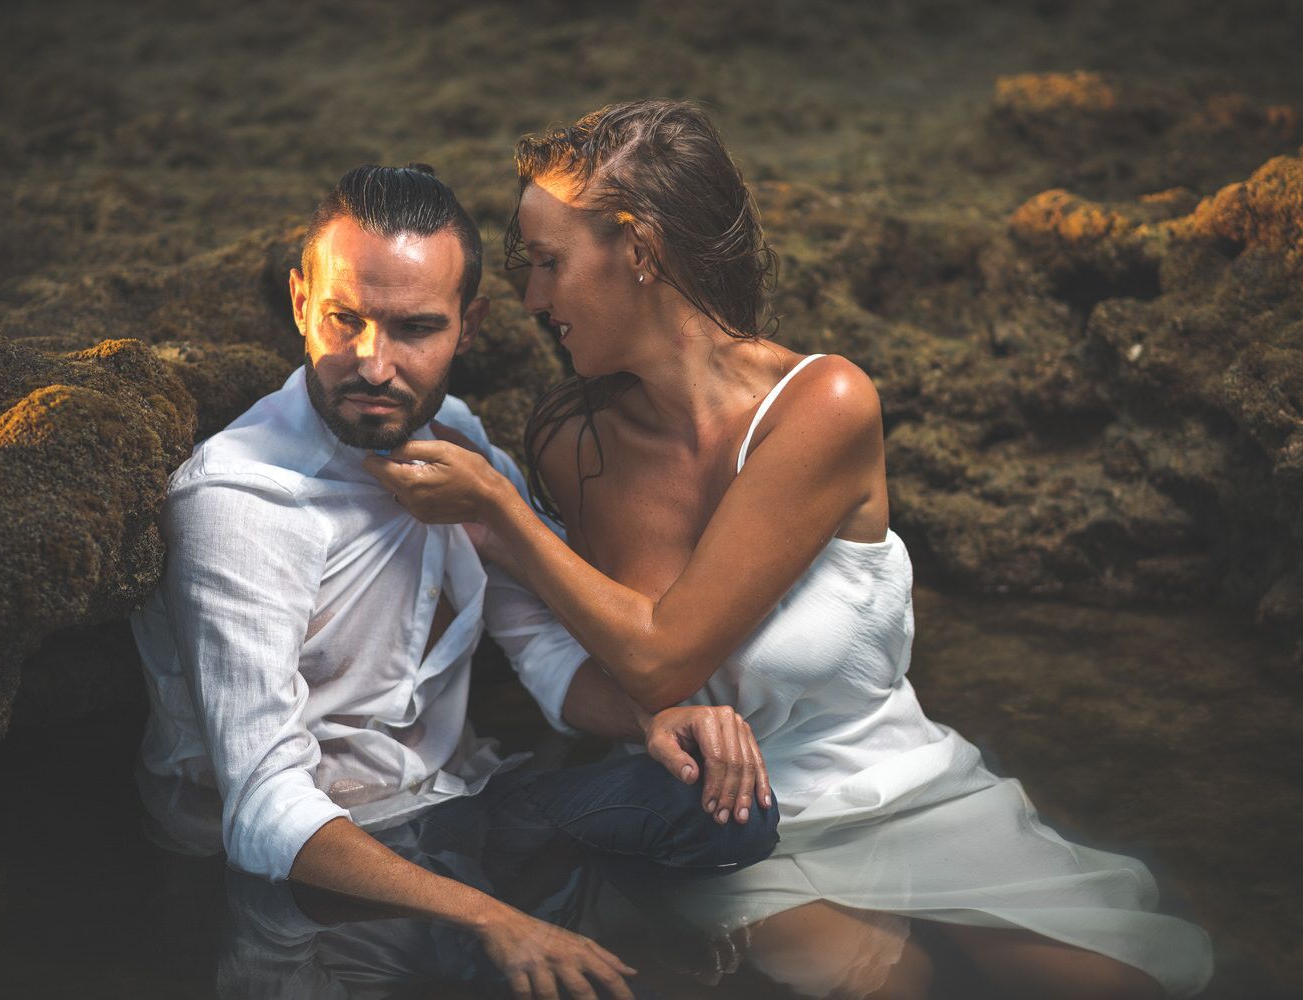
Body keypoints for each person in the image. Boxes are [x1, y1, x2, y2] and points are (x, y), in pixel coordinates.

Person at [366, 102, 1216, 999]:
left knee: (1112, 984)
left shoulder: (825, 405)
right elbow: (644, 679)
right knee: (872, 982)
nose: (534, 300)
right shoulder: (578, 444)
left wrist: (505, 516)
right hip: (725, 821)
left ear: (641, 251)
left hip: (899, 786)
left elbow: (661, 646)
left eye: (549, 264)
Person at [129, 163, 780, 1000]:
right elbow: (263, 814)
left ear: (468, 328)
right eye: (344, 320)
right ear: (300, 304)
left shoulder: (463, 451)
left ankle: (614, 945)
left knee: (724, 804)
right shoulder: (243, 503)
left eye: (414, 329)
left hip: (462, 807)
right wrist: (494, 921)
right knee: (506, 963)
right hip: (299, 874)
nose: (372, 362)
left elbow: (542, 653)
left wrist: (655, 718)